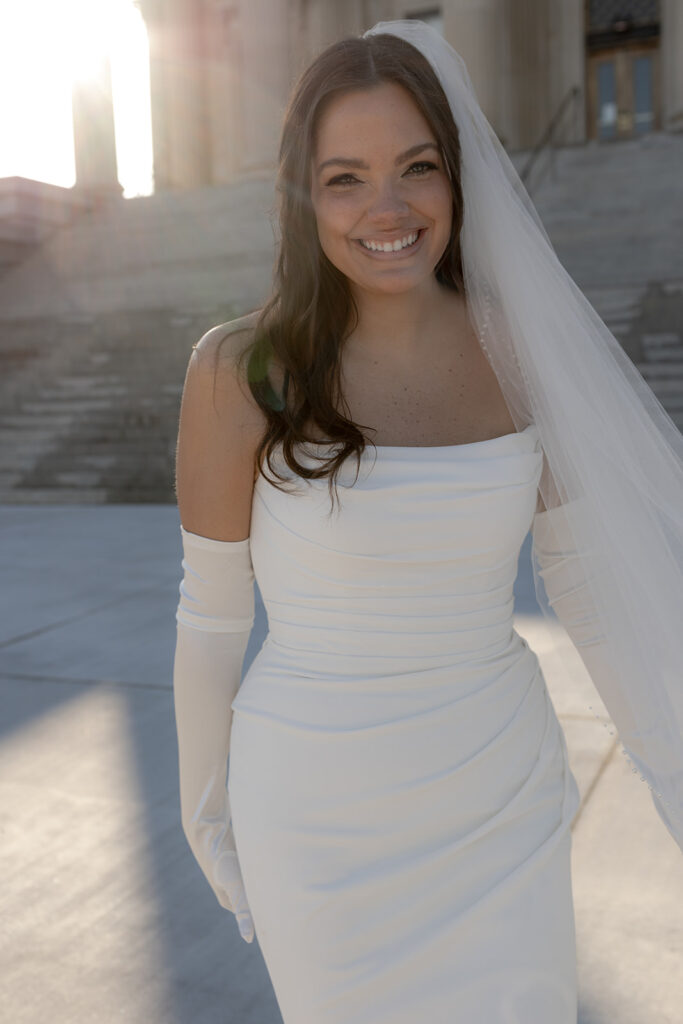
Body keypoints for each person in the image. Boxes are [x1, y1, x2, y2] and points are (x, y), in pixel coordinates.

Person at [172, 20, 683, 1024]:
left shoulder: (514, 346)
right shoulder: (237, 371)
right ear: (300, 195)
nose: (389, 208)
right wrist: (205, 811)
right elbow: (212, 615)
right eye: (345, 178)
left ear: (456, 179)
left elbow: (582, 584)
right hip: (316, 818)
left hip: (497, 794)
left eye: (416, 168)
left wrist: (668, 762)